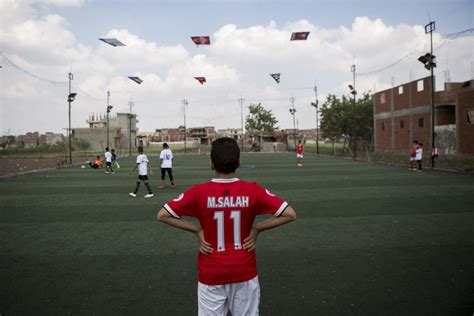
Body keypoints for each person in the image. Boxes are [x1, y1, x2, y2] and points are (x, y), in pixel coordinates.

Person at [157, 137, 296, 315]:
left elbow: (162, 215)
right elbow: (290, 214)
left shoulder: (198, 192)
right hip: (244, 270)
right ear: (238, 163)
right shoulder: (253, 190)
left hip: (211, 272)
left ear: (211, 164)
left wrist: (197, 231)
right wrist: (257, 229)